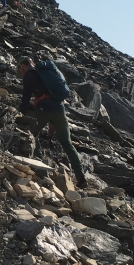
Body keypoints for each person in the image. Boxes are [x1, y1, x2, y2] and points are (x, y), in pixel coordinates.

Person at [17, 57, 87, 186]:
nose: (21, 73)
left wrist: (21, 112)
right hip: (59, 108)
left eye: (20, 69)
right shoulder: (46, 71)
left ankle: (41, 169)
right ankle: (81, 177)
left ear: (22, 66)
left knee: (32, 134)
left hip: (44, 108)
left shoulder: (30, 74)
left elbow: (26, 97)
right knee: (67, 143)